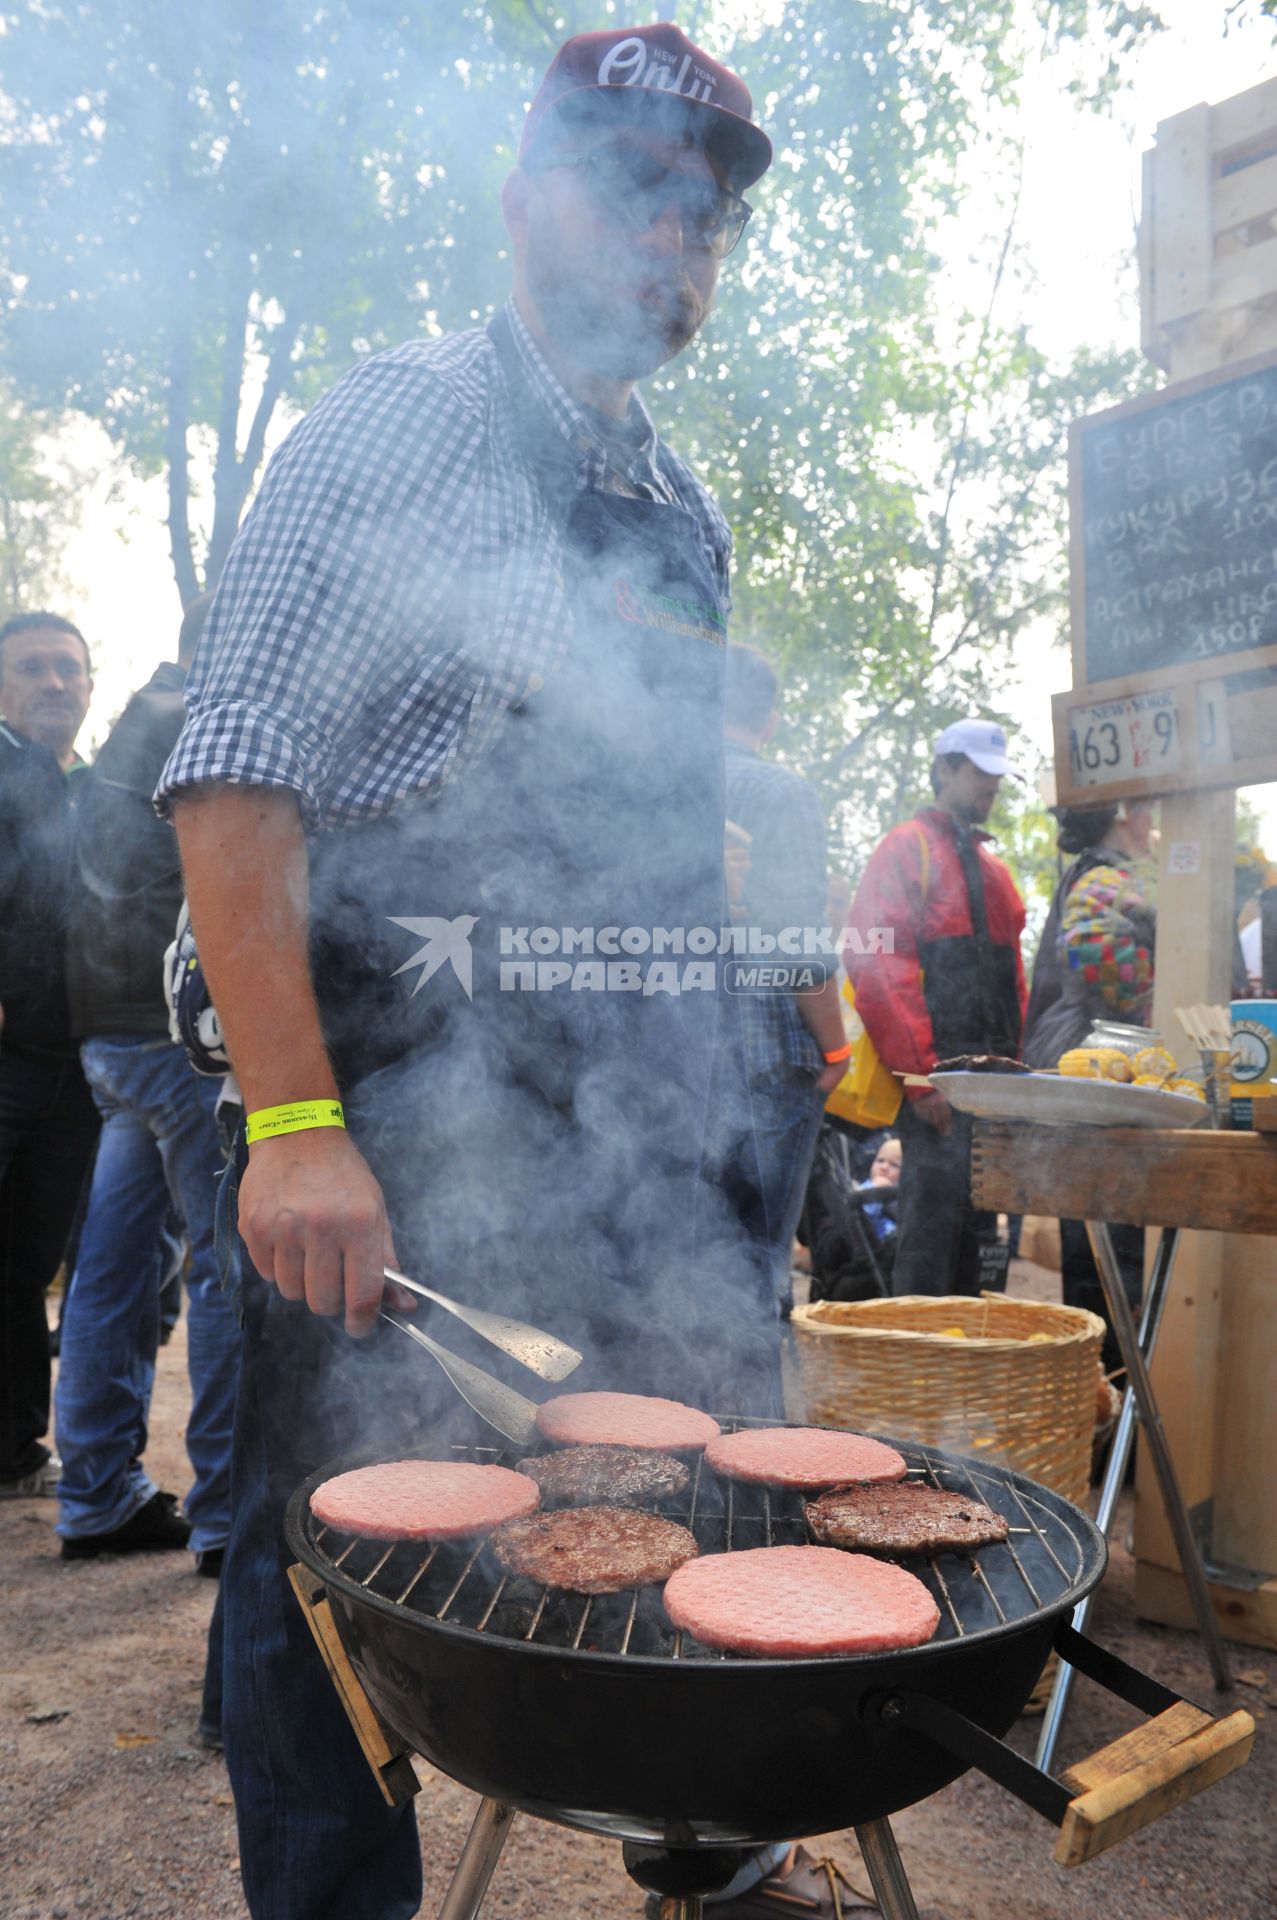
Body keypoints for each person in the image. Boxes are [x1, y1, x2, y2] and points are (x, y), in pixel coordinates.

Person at [157, 27, 868, 1920]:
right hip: (382, 1085)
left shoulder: (681, 516)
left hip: (605, 1100)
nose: (678, 248)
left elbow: (659, 840)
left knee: (694, 1462)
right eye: (640, 191)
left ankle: (703, 1851)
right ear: (524, 197)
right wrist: (297, 1124)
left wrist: (722, 1129)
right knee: (338, 1538)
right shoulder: (398, 428)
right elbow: (232, 782)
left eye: (706, 220)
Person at [55, 594, 240, 1570]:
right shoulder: (206, 724)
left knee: (114, 1265)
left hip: (111, 1040)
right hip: (177, 1044)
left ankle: (93, 1495)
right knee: (220, 1262)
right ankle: (223, 1517)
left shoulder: (136, 725)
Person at [845, 719, 1027, 1297]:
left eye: (998, 776)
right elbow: (877, 964)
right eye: (980, 772)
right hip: (938, 1082)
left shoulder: (995, 870)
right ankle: (912, 1371)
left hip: (993, 1088)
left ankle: (963, 1367)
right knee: (929, 1232)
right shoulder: (908, 847)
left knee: (980, 1232)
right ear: (945, 768)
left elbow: (1012, 983)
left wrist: (1020, 1082)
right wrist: (921, 1080)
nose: (992, 787)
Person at [0, 611, 98, 1498]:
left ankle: (15, 1449)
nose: (54, 683)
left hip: (71, 1065)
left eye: (69, 669)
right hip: (5, 1059)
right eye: (33, 668)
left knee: (28, 1264)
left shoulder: (91, 787)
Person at [723, 644, 847, 1312]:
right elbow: (796, 936)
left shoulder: (659, 789)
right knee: (755, 1264)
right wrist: (834, 1047)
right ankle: (743, 1417)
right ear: (768, 719)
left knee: (676, 1261)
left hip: (663, 1066)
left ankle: (662, 1416)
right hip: (766, 1065)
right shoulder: (779, 793)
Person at [1022, 800, 1156, 1372]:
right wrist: (1159, 991)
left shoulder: (1097, 873)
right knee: (1108, 1252)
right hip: (1102, 1069)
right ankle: (1107, 1394)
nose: (1154, 822)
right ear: (1124, 812)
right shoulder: (1105, 876)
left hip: (1083, 1069)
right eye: (1148, 808)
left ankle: (1097, 1388)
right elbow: (1095, 953)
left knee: (1094, 1243)